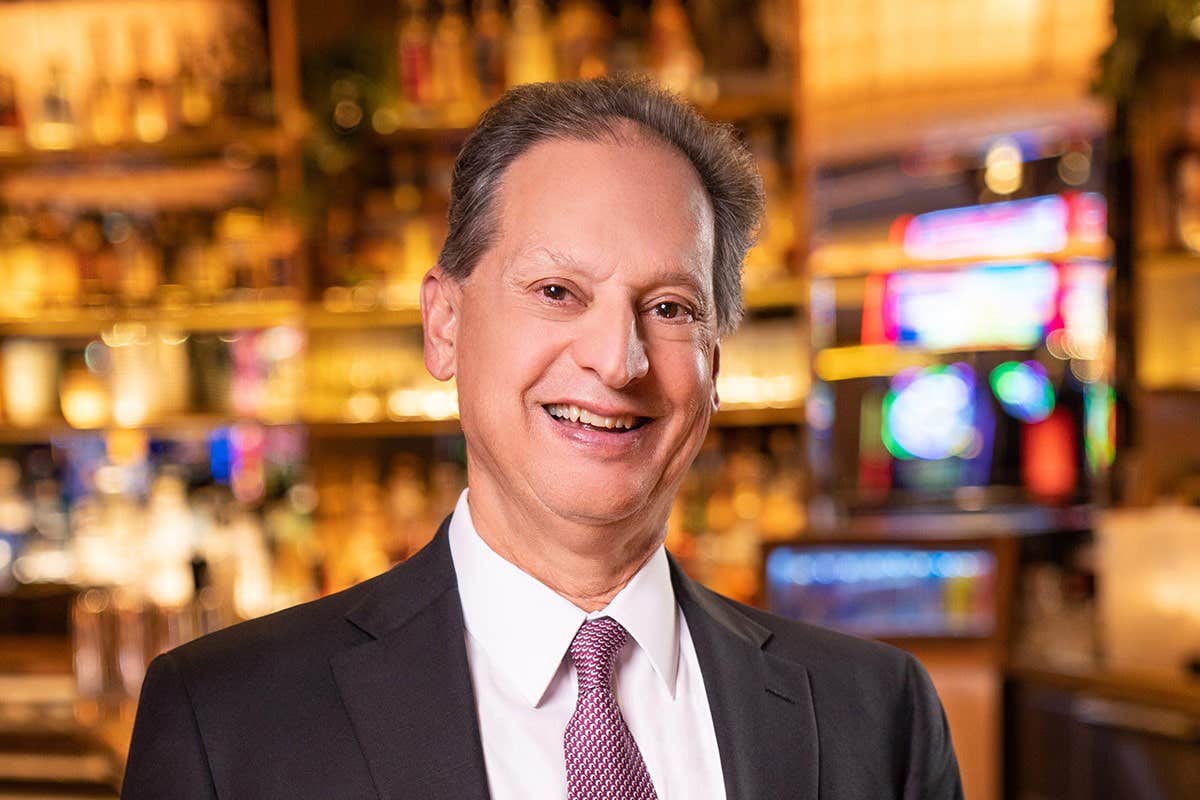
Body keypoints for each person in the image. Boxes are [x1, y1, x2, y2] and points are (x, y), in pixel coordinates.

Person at [121, 76, 963, 800]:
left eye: (669, 308)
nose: (616, 359)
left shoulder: (878, 716)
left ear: (714, 365)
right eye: (558, 290)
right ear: (444, 324)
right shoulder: (228, 722)